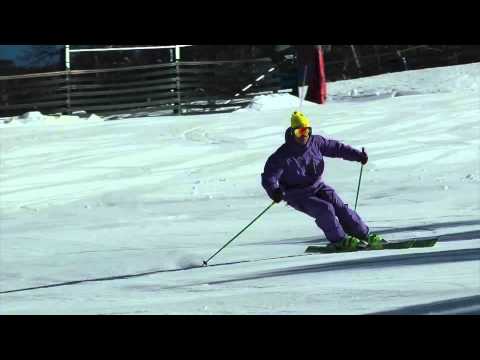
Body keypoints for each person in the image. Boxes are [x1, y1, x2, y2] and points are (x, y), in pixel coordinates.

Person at [261, 111, 382, 250]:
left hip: (318, 187)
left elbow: (337, 148)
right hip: (297, 195)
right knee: (325, 209)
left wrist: (357, 155)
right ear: (292, 133)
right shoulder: (283, 155)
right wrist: (274, 191)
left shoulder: (316, 142)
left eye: (307, 131)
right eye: (299, 132)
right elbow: (269, 176)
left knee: (341, 208)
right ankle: (340, 240)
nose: (304, 136)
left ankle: (364, 235)